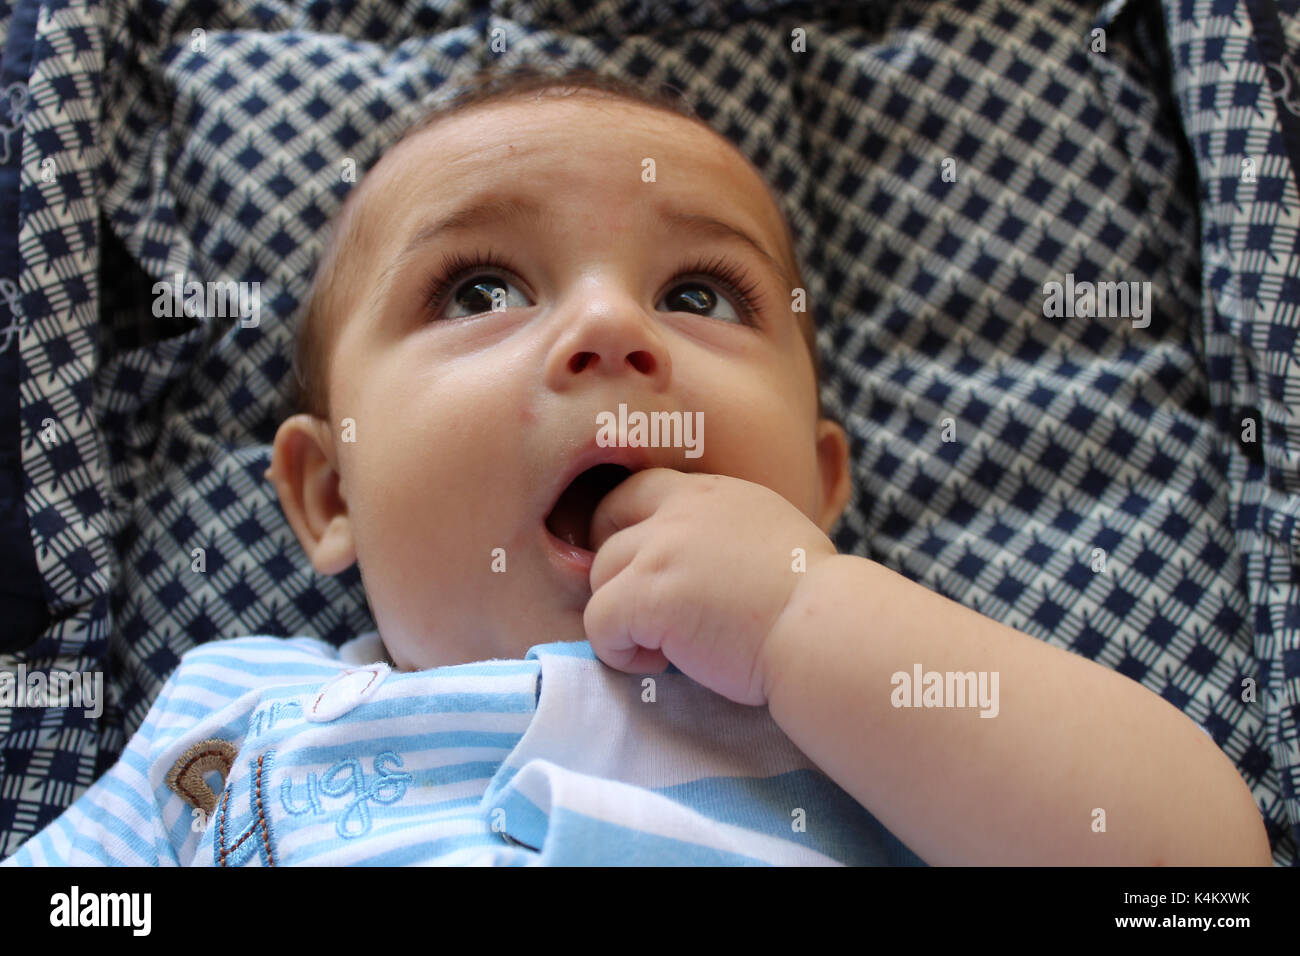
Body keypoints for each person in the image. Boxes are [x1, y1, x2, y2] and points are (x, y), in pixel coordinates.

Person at [2, 67, 1270, 867]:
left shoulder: (883, 700)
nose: (613, 330)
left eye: (701, 291)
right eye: (482, 287)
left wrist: (805, 612)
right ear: (331, 494)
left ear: (821, 483)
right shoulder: (238, 713)